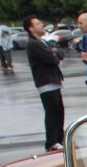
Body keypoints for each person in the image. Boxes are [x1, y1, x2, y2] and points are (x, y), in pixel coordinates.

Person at [23, 15, 65, 152]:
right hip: (46, 83)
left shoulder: (42, 42)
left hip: (54, 82)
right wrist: (55, 55)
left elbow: (56, 55)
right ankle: (52, 141)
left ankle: (59, 139)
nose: (41, 25)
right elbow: (51, 59)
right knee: (52, 112)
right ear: (31, 28)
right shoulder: (33, 44)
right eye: (37, 23)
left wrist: (55, 54)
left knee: (59, 111)